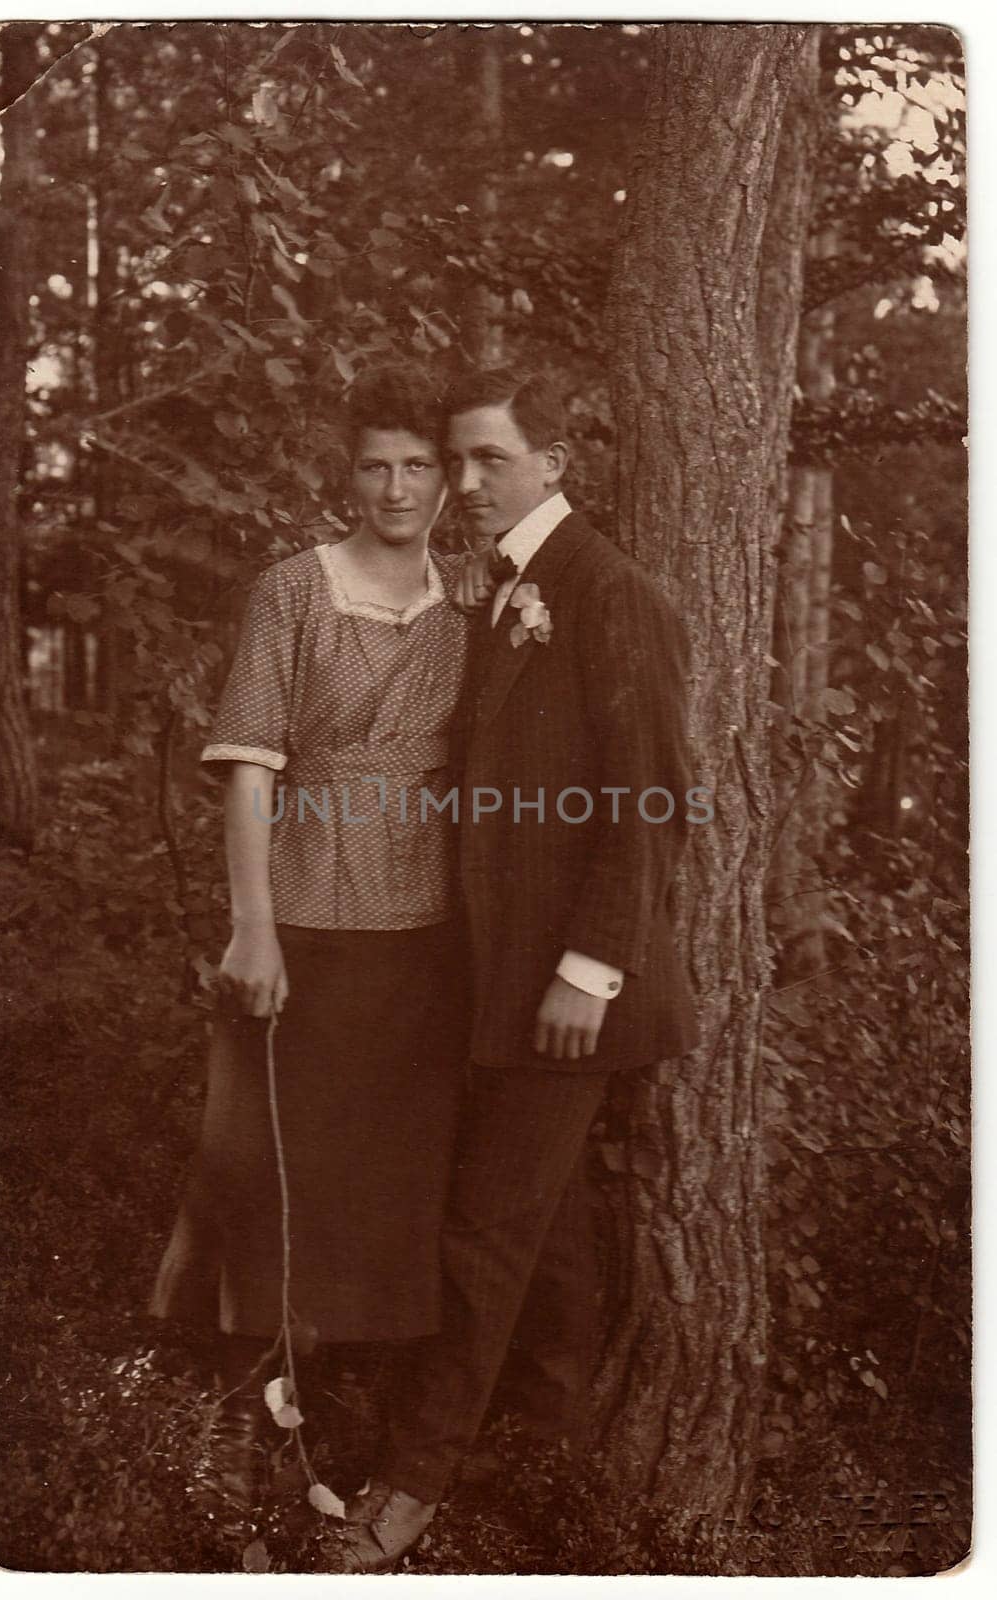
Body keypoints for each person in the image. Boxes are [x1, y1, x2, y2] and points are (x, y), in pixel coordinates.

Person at [334, 367, 699, 1571]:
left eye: (490, 459)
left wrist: (587, 971)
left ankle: (407, 1489)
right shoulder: (508, 592)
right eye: (457, 460)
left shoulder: (607, 592)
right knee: (541, 1239)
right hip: (499, 981)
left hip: (574, 991)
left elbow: (650, 802)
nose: (467, 484)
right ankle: (552, 1461)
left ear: (555, 463)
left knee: (484, 1233)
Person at [149, 363, 470, 1520]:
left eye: (418, 464)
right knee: (268, 1166)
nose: (395, 486)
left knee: (382, 1185)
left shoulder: (471, 597)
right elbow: (247, 765)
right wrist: (253, 929)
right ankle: (233, 1442)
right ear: (345, 475)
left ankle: (346, 1433)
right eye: (375, 465)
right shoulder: (293, 589)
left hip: (425, 933)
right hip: (300, 922)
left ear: (447, 477)